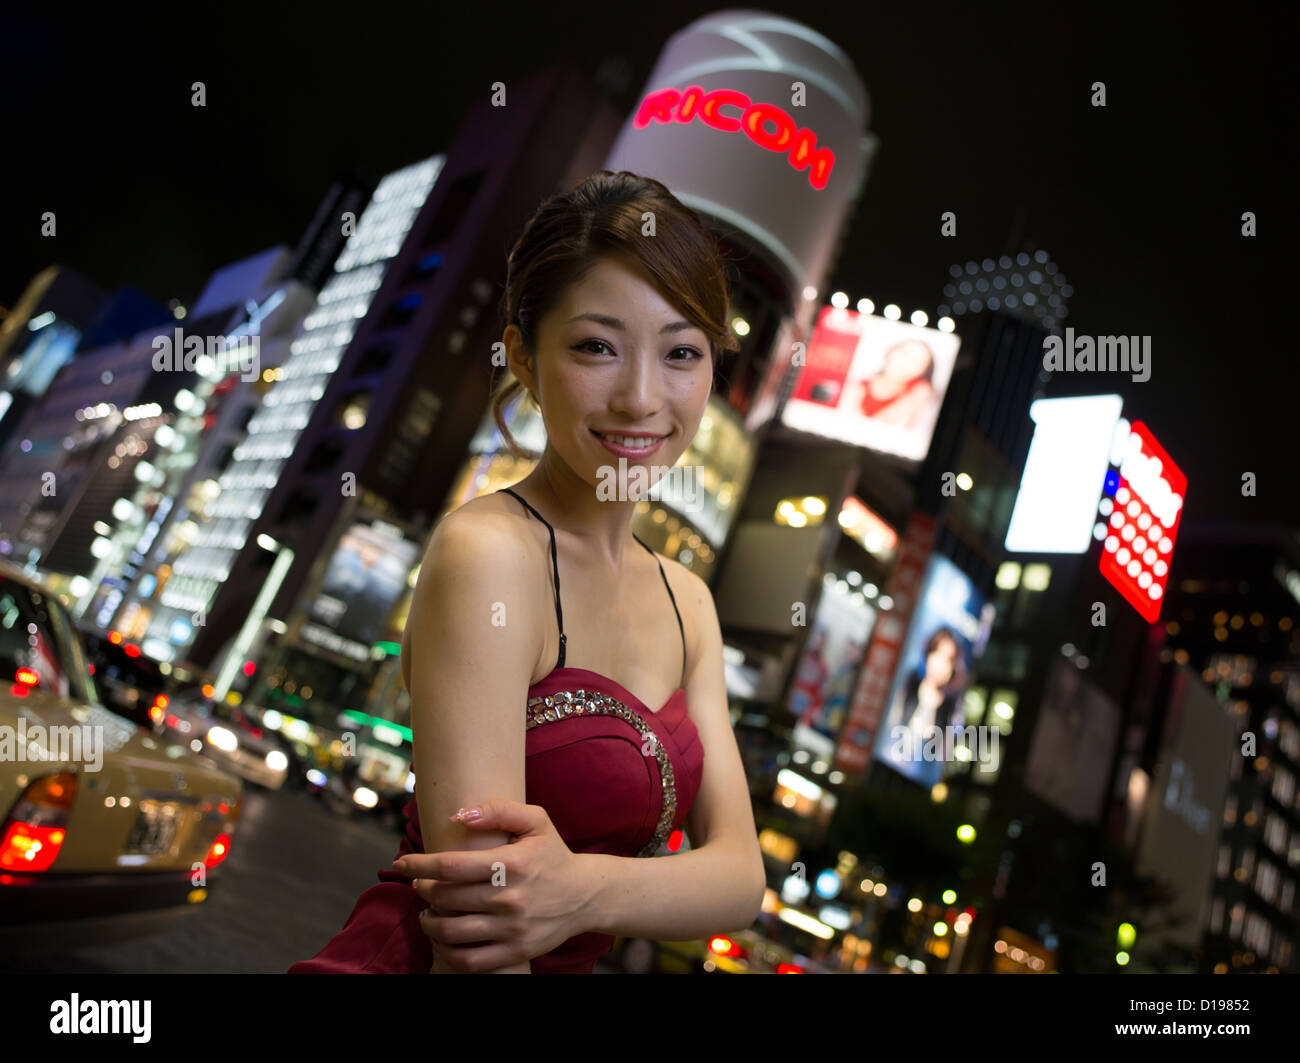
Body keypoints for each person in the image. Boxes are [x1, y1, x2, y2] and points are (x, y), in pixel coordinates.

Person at [289, 171, 767, 974]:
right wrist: (628, 893)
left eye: (681, 351)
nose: (643, 397)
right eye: (595, 347)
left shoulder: (691, 607)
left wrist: (582, 891)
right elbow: (481, 928)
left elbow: (741, 878)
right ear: (524, 358)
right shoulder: (489, 552)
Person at [881, 626, 965, 785]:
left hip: (917, 783)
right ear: (928, 654)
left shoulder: (950, 709)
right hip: (885, 768)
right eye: (938, 654)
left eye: (949, 659)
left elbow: (941, 759)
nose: (942, 664)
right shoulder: (909, 684)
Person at [851, 338, 936, 429]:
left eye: (917, 361)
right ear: (891, 351)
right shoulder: (860, 385)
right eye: (905, 353)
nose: (906, 362)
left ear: (923, 371)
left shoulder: (919, 390)